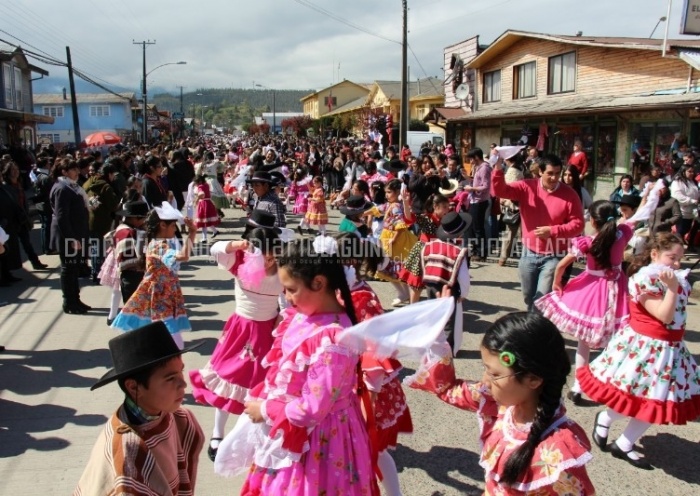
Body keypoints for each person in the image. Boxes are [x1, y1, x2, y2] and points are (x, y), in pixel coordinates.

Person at [217, 239, 375, 495]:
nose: (286, 298)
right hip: (295, 428)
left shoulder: (333, 342)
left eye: (290, 289)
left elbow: (312, 408)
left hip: (319, 441)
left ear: (319, 283)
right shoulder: (305, 315)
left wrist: (267, 409)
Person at [409, 311, 595, 494]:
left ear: (534, 379)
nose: (485, 381)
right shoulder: (499, 402)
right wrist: (437, 340)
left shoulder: (559, 453)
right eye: (486, 369)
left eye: (495, 374)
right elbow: (448, 389)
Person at [578, 233, 700, 470]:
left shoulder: (675, 278)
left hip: (670, 350)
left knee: (657, 402)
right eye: (671, 257)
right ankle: (605, 419)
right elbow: (663, 315)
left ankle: (624, 443)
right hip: (646, 348)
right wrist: (673, 289)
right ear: (654, 254)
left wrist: (678, 284)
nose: (676, 264)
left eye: (680, 259)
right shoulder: (645, 280)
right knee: (635, 398)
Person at [73, 321, 204, 495]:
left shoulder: (178, 417)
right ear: (134, 387)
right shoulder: (129, 455)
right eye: (170, 378)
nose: (183, 383)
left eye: (181, 371)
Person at [335, 233, 412, 496]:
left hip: (364, 384)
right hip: (343, 377)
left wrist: (372, 388)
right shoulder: (341, 289)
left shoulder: (362, 296)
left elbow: (377, 346)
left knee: (373, 447)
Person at [535, 201, 633, 405]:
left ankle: (579, 385)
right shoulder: (623, 234)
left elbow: (562, 264)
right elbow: (631, 220)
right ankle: (607, 382)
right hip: (618, 289)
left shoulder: (588, 242)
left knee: (584, 340)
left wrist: (557, 281)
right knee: (614, 338)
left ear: (593, 221)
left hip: (593, 289)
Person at [491, 154, 585, 311]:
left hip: (554, 256)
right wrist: (498, 167)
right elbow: (500, 190)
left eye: (557, 173)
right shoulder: (526, 187)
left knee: (541, 298)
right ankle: (535, 320)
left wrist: (553, 231)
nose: (555, 178)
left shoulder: (570, 195)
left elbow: (578, 225)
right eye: (550, 173)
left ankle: (533, 329)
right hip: (529, 253)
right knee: (528, 296)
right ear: (540, 172)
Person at [111, 203, 197, 350]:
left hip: (164, 297)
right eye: (173, 226)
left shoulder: (160, 243)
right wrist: (192, 233)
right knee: (176, 342)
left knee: (162, 337)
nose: (175, 229)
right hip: (160, 298)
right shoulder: (158, 245)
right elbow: (183, 256)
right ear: (162, 225)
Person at [50, 159, 91, 314]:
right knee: (68, 269)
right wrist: (71, 239)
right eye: (72, 169)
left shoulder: (72, 187)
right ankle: (69, 302)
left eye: (76, 169)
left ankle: (76, 299)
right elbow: (62, 217)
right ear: (64, 172)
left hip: (76, 234)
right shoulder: (62, 189)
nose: (76, 172)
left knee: (74, 269)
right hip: (68, 236)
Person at [103, 200, 149, 325]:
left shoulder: (125, 229)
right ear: (134, 218)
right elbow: (128, 260)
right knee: (135, 312)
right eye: (143, 218)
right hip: (132, 277)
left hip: (130, 276)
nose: (145, 221)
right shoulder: (128, 233)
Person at [398, 193, 450, 304]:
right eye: (445, 206)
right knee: (417, 284)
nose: (448, 209)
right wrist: (406, 203)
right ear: (436, 207)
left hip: (440, 252)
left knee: (437, 283)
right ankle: (413, 308)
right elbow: (409, 218)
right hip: (423, 251)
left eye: (448, 206)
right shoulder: (426, 218)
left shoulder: (447, 220)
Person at [374, 179, 417, 307]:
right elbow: (379, 209)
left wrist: (394, 238)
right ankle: (403, 293)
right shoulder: (390, 205)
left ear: (397, 192)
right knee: (387, 267)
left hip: (396, 239)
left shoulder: (397, 206)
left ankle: (404, 292)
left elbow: (400, 224)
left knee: (393, 266)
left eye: (389, 192)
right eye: (386, 192)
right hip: (388, 236)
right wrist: (366, 211)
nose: (386, 195)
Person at [83, 163, 120, 282]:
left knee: (94, 248)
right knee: (99, 249)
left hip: (89, 219)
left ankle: (95, 271)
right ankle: (98, 273)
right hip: (102, 221)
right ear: (108, 174)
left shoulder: (88, 182)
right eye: (113, 174)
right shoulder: (106, 187)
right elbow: (113, 205)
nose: (114, 177)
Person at [462, 148, 492, 261]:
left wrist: (472, 188)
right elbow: (477, 182)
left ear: (476, 157)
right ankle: (475, 250)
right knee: (473, 227)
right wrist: (468, 179)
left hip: (480, 201)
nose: (470, 161)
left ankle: (481, 253)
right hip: (474, 200)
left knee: (478, 228)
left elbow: (486, 186)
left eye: (471, 158)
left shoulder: (484, 168)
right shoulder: (478, 167)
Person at [498, 152, 525, 266]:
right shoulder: (521, 168)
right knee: (523, 234)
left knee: (509, 234)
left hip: (513, 205)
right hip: (522, 204)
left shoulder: (512, 171)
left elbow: (509, 189)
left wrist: (504, 201)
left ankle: (503, 257)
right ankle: (525, 256)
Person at [670, 165, 699, 250]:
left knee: (687, 229)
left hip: (692, 210)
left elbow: (696, 192)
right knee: (681, 230)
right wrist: (692, 201)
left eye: (693, 171)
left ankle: (682, 247)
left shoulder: (692, 182)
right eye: (689, 171)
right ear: (683, 172)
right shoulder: (677, 182)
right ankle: (676, 249)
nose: (692, 173)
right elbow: (678, 196)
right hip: (681, 210)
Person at [193, 175, 221, 243]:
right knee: (208, 220)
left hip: (203, 204)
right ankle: (215, 231)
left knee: (204, 221)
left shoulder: (200, 187)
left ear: (199, 182)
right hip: (209, 202)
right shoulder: (206, 185)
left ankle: (204, 238)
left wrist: (196, 200)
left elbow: (201, 194)